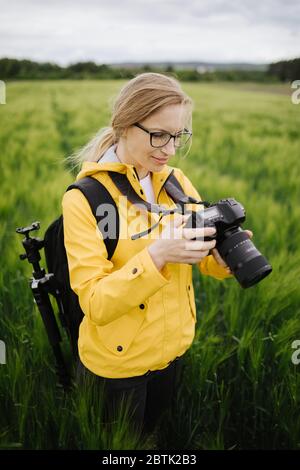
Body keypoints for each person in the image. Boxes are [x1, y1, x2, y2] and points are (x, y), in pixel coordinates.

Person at [62, 72, 253, 439]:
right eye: (159, 135)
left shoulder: (175, 180)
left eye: (178, 136)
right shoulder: (85, 199)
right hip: (118, 367)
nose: (169, 148)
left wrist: (222, 259)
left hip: (172, 351)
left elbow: (200, 255)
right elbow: (96, 302)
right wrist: (157, 255)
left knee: (155, 438)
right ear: (124, 125)